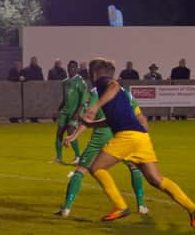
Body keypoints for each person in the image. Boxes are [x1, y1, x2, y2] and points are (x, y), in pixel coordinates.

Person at [82, 57, 195, 224]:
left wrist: (95, 106)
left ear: (94, 72)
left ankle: (120, 206)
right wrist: (92, 125)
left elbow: (113, 85)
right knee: (156, 180)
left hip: (127, 136)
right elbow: (115, 118)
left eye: (89, 72)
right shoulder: (113, 92)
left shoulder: (104, 83)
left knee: (97, 168)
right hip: (141, 137)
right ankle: (192, 208)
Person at [55, 86, 148, 217]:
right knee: (134, 167)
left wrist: (73, 136)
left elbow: (88, 118)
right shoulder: (124, 92)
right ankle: (141, 205)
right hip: (121, 134)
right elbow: (138, 115)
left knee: (81, 170)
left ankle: (66, 209)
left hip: (101, 135)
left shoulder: (95, 92)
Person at [52, 60, 86, 164]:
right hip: (65, 111)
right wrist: (58, 110)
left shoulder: (80, 82)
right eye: (69, 67)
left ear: (77, 69)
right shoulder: (65, 82)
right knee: (59, 133)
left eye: (73, 67)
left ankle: (77, 157)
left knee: (71, 131)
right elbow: (64, 98)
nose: (71, 69)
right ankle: (58, 158)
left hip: (74, 112)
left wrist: (77, 113)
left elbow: (83, 99)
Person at [22, 56, 44, 122]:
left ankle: (35, 118)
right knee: (30, 104)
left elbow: (41, 79)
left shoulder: (39, 69)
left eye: (35, 61)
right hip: (29, 91)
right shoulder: (26, 70)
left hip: (37, 91)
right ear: (31, 61)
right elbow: (24, 79)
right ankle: (30, 117)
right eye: (33, 60)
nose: (34, 62)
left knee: (36, 104)